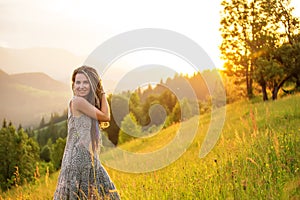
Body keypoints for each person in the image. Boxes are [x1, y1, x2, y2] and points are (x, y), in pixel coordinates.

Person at [54, 66, 120, 199]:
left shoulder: (85, 103)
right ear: (73, 85)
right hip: (77, 162)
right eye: (78, 82)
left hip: (89, 160)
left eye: (85, 82)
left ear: (92, 85)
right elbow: (105, 116)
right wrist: (101, 91)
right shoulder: (77, 102)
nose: (81, 86)